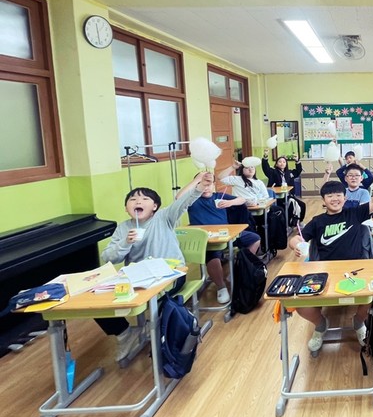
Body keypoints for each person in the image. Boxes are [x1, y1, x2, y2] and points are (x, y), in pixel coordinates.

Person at [98, 171, 212, 361]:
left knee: (157, 301)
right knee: (100, 299)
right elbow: (108, 257)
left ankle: (166, 340)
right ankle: (124, 333)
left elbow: (183, 203)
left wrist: (200, 185)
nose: (138, 201)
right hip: (137, 279)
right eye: (133, 199)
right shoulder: (123, 228)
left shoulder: (164, 217)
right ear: (126, 208)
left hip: (171, 275)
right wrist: (125, 242)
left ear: (155, 207)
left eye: (144, 199)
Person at [288, 169, 373, 355]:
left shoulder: (355, 213)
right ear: (323, 200)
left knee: (372, 294)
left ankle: (358, 322)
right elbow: (296, 238)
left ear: (344, 197)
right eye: (330, 196)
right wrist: (296, 245)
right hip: (325, 272)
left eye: (338, 195)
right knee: (300, 304)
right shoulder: (317, 221)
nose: (335, 199)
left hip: (356, 269)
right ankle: (320, 325)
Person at [184, 176, 263, 305]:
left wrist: (230, 203)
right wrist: (195, 181)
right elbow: (179, 197)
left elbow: (242, 199)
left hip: (226, 234)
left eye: (209, 184)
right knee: (213, 256)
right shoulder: (192, 200)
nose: (206, 188)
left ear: (214, 185)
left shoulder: (219, 196)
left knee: (254, 239)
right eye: (202, 184)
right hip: (207, 239)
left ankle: (241, 267)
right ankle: (221, 287)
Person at [262, 150, 307, 224]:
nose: (282, 163)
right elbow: (265, 168)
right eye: (279, 162)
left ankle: (299, 222)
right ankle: (289, 223)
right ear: (276, 164)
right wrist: (265, 157)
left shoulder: (289, 173)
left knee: (302, 205)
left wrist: (297, 161)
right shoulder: (273, 172)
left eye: (284, 162)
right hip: (277, 196)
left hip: (288, 195)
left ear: (286, 164)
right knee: (290, 205)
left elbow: (298, 171)